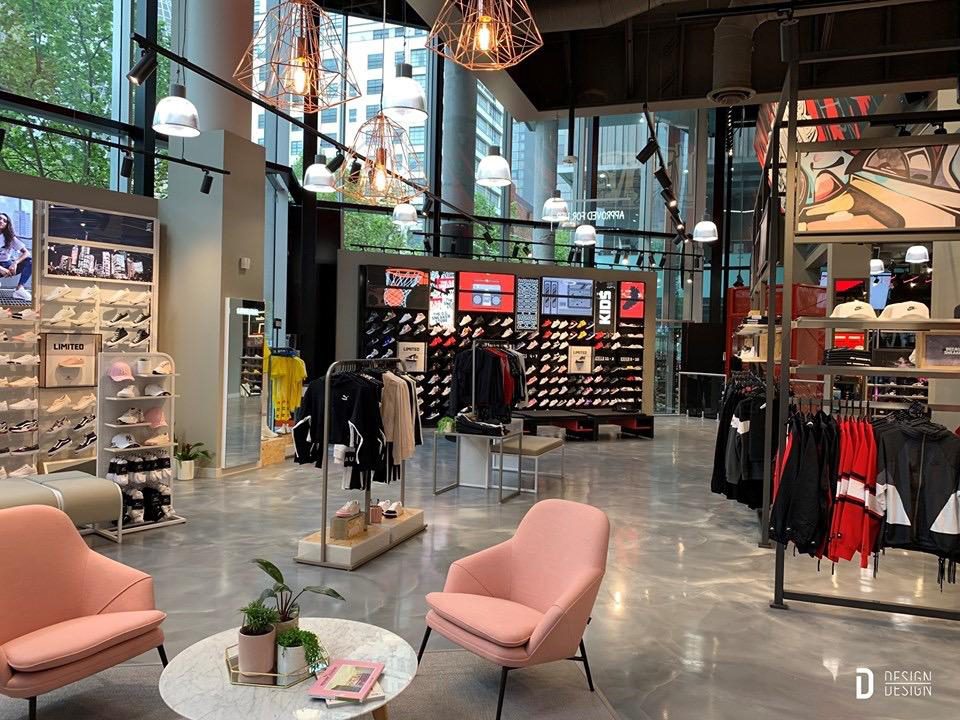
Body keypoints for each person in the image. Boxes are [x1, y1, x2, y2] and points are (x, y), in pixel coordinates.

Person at [0, 211, 32, 302]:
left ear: (7, 224)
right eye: (0, 219)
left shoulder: (10, 238)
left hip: (6, 264)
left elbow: (26, 253)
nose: (1, 221)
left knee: (30, 261)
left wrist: (15, 263)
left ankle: (19, 289)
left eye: (5, 221)